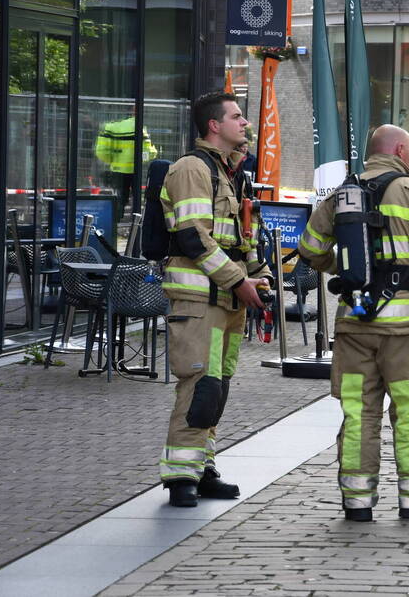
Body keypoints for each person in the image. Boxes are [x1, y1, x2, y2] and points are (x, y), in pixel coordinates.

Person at [298, 124, 409, 522]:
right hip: (406, 334)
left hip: (354, 326)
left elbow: (308, 249)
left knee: (358, 414)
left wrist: (349, 269)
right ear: (401, 151)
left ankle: (356, 501)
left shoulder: (342, 194)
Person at [158, 91, 271, 508]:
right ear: (213, 125)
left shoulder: (231, 174)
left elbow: (245, 240)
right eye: (237, 116)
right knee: (200, 385)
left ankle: (203, 468)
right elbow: (192, 235)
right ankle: (180, 477)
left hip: (228, 300)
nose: (245, 123)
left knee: (217, 388)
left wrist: (260, 280)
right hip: (198, 299)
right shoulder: (192, 169)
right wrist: (238, 281)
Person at [95, 109, 158, 220]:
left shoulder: (113, 127)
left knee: (120, 197)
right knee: (137, 198)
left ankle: (116, 221)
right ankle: (135, 223)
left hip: (117, 169)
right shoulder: (138, 126)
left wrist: (111, 160)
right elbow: (148, 151)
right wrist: (152, 154)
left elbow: (102, 151)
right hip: (135, 170)